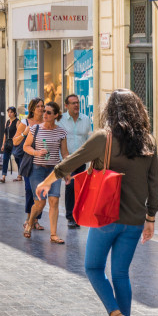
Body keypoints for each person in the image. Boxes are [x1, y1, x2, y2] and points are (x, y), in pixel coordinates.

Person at [36, 89, 158, 316]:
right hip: (134, 220)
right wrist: (151, 219)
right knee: (121, 274)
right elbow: (153, 183)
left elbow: (71, 162)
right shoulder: (149, 141)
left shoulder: (104, 137)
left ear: (111, 111)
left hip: (106, 217)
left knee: (93, 267)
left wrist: (46, 183)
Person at [23, 101, 68, 244]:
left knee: (54, 201)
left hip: (54, 170)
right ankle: (30, 222)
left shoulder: (61, 132)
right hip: (37, 169)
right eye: (44, 111)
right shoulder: (35, 129)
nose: (45, 114)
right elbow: (26, 146)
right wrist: (36, 152)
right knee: (40, 202)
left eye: (49, 112)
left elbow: (65, 153)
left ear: (56, 115)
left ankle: (54, 234)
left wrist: (67, 171)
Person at [58, 93, 93, 229]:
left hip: (81, 159)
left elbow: (88, 139)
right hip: (67, 159)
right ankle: (70, 217)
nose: (76, 105)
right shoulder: (60, 120)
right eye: (73, 103)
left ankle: (77, 215)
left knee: (79, 188)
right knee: (70, 185)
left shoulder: (85, 119)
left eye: (77, 102)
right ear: (67, 106)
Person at [14, 98, 45, 230]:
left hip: (43, 160)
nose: (41, 108)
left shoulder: (46, 122)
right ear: (32, 109)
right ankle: (28, 218)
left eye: (42, 106)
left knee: (40, 191)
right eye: (38, 106)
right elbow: (15, 141)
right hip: (29, 160)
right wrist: (24, 133)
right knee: (29, 189)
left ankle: (36, 220)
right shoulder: (25, 122)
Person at [0, 107, 17, 183]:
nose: (9, 114)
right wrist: (3, 144)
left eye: (11, 112)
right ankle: (3, 177)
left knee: (17, 159)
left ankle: (19, 175)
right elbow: (5, 134)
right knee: (5, 159)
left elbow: (18, 133)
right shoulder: (7, 122)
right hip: (7, 143)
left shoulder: (17, 122)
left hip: (15, 143)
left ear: (15, 113)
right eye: (8, 112)